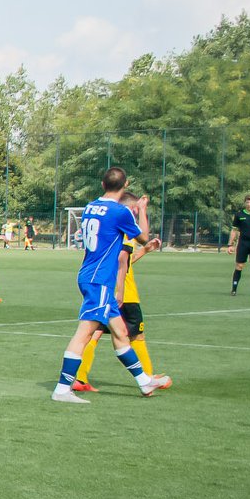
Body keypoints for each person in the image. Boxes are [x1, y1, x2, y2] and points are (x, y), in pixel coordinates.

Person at [52, 168, 171, 404]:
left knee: (120, 333)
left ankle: (144, 381)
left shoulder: (90, 207)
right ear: (125, 184)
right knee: (84, 333)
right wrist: (142, 210)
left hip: (91, 274)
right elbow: (143, 238)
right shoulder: (120, 211)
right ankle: (62, 389)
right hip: (100, 279)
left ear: (102, 184)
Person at [73, 231, 162, 392]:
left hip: (103, 291)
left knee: (94, 334)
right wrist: (120, 291)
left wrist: (144, 250)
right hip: (125, 296)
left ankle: (80, 378)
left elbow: (123, 262)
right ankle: (148, 377)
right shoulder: (122, 231)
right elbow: (122, 260)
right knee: (136, 336)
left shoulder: (105, 234)